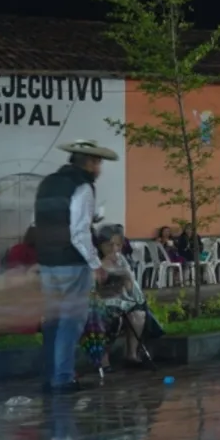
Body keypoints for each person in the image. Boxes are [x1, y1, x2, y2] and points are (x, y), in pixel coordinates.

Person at [34, 139, 118, 395]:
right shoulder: (82, 186)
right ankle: (63, 378)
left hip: (47, 261)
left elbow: (38, 222)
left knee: (53, 321)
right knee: (70, 321)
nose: (99, 169)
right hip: (71, 262)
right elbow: (78, 232)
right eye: (99, 163)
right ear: (90, 163)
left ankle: (50, 376)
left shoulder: (47, 183)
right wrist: (96, 264)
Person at [90, 225, 155, 367]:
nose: (114, 249)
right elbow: (91, 288)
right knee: (112, 316)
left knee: (138, 314)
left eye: (118, 245)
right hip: (99, 302)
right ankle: (103, 357)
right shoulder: (93, 260)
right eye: (109, 245)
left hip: (119, 300)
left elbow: (131, 290)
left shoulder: (121, 260)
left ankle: (131, 354)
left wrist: (126, 275)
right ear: (100, 245)